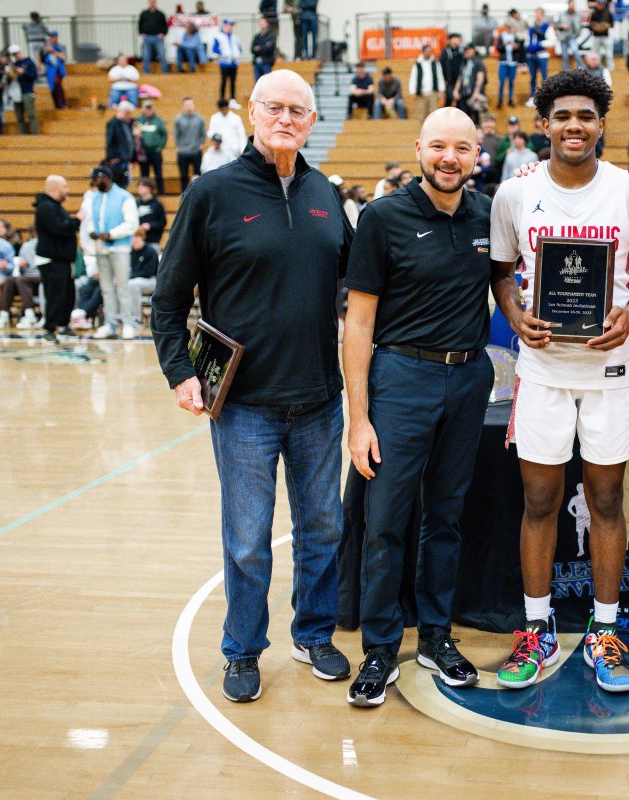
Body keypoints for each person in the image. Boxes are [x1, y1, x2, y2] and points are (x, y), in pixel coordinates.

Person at [152, 69, 354, 704]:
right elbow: (167, 298)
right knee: (246, 540)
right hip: (242, 406)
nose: (286, 119)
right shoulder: (211, 193)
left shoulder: (326, 194)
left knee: (323, 528)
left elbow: (362, 281)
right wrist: (180, 372)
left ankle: (314, 633)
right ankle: (242, 649)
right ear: (250, 111)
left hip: (320, 399)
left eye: (299, 110)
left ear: (312, 122)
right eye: (275, 107)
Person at [489, 68, 629, 695]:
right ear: (544, 124)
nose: (574, 126)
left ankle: (604, 630)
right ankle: (536, 630)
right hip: (542, 371)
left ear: (601, 124)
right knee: (539, 503)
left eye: (586, 116)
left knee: (608, 502)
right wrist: (514, 316)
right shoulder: (515, 194)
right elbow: (501, 272)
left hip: (611, 372)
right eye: (562, 116)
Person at [342, 107, 495, 707]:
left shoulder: (489, 213)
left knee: (447, 518)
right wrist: (360, 418)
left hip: (467, 379)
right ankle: (380, 647)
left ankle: (434, 635)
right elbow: (357, 324)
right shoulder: (381, 218)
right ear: (419, 149)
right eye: (438, 147)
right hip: (400, 378)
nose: (449, 158)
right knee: (385, 521)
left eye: (462, 147)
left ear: (477, 153)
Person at [81, 165, 139, 340]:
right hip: (100, 248)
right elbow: (90, 220)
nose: (95, 182)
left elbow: (131, 224)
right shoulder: (94, 198)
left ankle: (128, 324)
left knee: (122, 286)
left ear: (105, 177)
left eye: (97, 179)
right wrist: (92, 231)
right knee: (106, 288)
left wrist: (111, 234)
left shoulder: (124, 197)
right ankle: (110, 324)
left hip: (119, 248)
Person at [31, 175, 78, 342]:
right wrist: (77, 220)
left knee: (67, 295)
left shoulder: (55, 207)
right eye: (65, 187)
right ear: (55, 188)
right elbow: (59, 229)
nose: (68, 190)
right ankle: (49, 329)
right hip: (51, 260)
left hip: (62, 260)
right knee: (55, 296)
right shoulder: (45, 207)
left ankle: (64, 326)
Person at [125, 231, 160, 326]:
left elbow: (149, 272)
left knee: (132, 284)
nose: (134, 241)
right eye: (133, 239)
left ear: (142, 239)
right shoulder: (130, 252)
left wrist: (130, 277)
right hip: (134, 279)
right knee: (121, 283)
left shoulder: (150, 251)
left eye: (137, 239)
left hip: (151, 281)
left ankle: (136, 318)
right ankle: (121, 316)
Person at [5, 45, 39, 136]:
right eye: (14, 54)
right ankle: (23, 134)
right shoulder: (14, 65)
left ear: (20, 52)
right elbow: (9, 80)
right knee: (19, 116)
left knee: (31, 114)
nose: (16, 55)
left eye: (17, 53)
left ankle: (35, 134)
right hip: (16, 92)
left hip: (27, 91)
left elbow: (34, 76)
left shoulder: (29, 62)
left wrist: (23, 72)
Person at [136, 102, 168, 196]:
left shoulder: (158, 120)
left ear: (153, 109)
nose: (148, 110)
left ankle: (161, 192)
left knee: (158, 173)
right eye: (146, 108)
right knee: (144, 175)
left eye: (150, 108)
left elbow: (164, 135)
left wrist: (160, 147)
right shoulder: (138, 120)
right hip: (143, 152)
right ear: (143, 109)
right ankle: (144, 193)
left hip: (155, 151)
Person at [174, 97, 206, 192]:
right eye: (186, 105)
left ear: (194, 105)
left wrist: (201, 144)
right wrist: (178, 147)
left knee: (198, 175)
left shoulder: (200, 118)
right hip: (183, 151)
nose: (189, 107)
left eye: (191, 104)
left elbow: (203, 133)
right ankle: (184, 193)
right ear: (183, 106)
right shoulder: (178, 119)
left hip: (196, 150)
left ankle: (199, 192)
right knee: (183, 176)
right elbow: (176, 134)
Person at [454, 43, 488, 125]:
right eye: (465, 50)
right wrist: (456, 90)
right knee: (463, 117)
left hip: (473, 94)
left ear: (473, 50)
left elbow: (480, 77)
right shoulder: (464, 62)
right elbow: (460, 77)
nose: (466, 52)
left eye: (468, 50)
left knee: (475, 118)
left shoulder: (478, 62)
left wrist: (477, 91)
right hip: (463, 94)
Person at [105, 101, 136, 189]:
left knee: (126, 181)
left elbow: (129, 142)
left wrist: (133, 158)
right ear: (124, 112)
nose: (129, 116)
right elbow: (109, 141)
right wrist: (110, 157)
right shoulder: (113, 123)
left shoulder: (125, 123)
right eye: (128, 114)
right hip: (118, 160)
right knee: (120, 183)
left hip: (125, 159)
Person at [410, 43, 445, 120]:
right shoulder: (417, 64)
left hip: (433, 92)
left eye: (430, 51)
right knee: (422, 114)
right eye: (427, 51)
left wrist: (441, 90)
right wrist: (413, 92)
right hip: (421, 93)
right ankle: (424, 131)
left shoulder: (435, 63)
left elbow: (440, 77)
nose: (428, 53)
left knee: (434, 114)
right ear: (423, 52)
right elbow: (413, 78)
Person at [526, 8, 553, 105]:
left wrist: (540, 44)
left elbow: (552, 41)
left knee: (544, 76)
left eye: (539, 14)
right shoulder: (532, 27)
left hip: (542, 55)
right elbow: (528, 39)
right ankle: (532, 97)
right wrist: (529, 47)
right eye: (536, 14)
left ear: (542, 15)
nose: (537, 15)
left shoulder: (547, 27)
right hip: (531, 56)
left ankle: (545, 97)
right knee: (532, 77)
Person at [213, 18, 242, 103]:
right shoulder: (219, 36)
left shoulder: (235, 37)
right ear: (225, 25)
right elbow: (215, 48)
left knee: (233, 81)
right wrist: (223, 53)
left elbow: (239, 48)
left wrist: (237, 56)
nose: (231, 27)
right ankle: (222, 99)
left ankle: (232, 99)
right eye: (229, 25)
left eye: (232, 25)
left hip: (233, 62)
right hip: (224, 62)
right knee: (224, 81)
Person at [495, 24, 523, 108]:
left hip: (513, 63)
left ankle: (510, 100)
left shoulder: (515, 37)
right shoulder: (502, 36)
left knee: (511, 82)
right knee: (502, 82)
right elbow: (498, 48)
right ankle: (500, 100)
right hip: (503, 62)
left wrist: (516, 47)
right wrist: (504, 44)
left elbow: (520, 49)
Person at [138, 0, 169, 74]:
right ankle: (146, 72)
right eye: (151, 2)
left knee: (162, 55)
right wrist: (141, 33)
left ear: (155, 3)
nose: (152, 4)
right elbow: (140, 24)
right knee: (146, 56)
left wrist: (163, 33)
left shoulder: (160, 14)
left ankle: (165, 72)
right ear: (148, 3)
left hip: (158, 38)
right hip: (147, 37)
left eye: (153, 2)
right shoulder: (144, 14)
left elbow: (165, 25)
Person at [135, 178, 166, 246]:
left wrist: (150, 225)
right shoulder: (136, 204)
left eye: (142, 186)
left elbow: (162, 222)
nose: (140, 188)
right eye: (139, 186)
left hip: (152, 241)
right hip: (138, 241)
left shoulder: (157, 205)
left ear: (149, 188)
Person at [43, 31, 68, 109]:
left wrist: (53, 51)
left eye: (53, 36)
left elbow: (63, 57)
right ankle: (57, 104)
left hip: (58, 69)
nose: (51, 38)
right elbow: (41, 58)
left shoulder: (61, 47)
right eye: (50, 37)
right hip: (50, 70)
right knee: (52, 87)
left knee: (57, 82)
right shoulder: (46, 47)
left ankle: (62, 102)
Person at [440, 33, 464, 108]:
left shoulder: (462, 51)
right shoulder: (445, 52)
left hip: (460, 81)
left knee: (460, 103)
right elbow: (442, 67)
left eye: (458, 38)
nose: (457, 40)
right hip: (449, 82)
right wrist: (444, 80)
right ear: (450, 40)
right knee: (448, 101)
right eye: (455, 38)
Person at [588, 0, 614, 70]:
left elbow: (612, 24)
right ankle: (597, 67)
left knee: (609, 53)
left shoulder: (608, 12)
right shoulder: (594, 13)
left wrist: (606, 25)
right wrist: (595, 27)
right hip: (596, 36)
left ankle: (611, 68)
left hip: (606, 35)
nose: (600, 5)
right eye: (599, 3)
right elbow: (590, 26)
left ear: (604, 4)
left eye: (602, 3)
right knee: (596, 53)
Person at [557, 0, 582, 70]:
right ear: (568, 5)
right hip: (563, 37)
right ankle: (566, 70)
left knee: (575, 51)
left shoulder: (578, 15)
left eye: (573, 5)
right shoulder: (562, 14)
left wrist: (577, 34)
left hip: (572, 37)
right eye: (571, 5)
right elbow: (556, 25)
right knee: (564, 55)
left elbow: (580, 27)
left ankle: (581, 68)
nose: (572, 7)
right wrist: (562, 26)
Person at [252, 17, 277, 83]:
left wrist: (259, 48)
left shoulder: (271, 36)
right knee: (258, 83)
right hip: (257, 63)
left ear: (267, 24)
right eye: (260, 22)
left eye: (264, 22)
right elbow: (252, 49)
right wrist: (264, 47)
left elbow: (269, 48)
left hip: (266, 62)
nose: (262, 24)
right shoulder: (257, 36)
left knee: (268, 83)